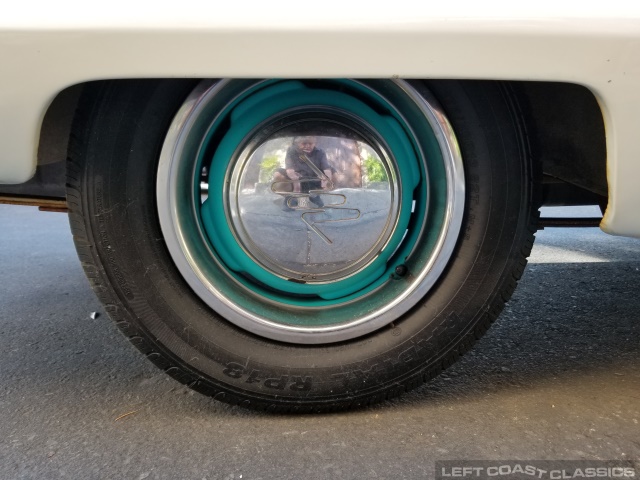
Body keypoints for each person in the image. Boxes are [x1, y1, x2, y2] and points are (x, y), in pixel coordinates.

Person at [284, 136, 332, 208]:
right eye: (304, 143)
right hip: (297, 179)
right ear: (297, 143)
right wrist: (296, 186)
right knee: (278, 174)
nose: (307, 146)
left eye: (310, 143)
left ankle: (313, 197)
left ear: (315, 143)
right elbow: (289, 168)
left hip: (313, 179)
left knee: (307, 204)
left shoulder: (320, 152)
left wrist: (327, 180)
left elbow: (326, 168)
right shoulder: (291, 150)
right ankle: (292, 199)